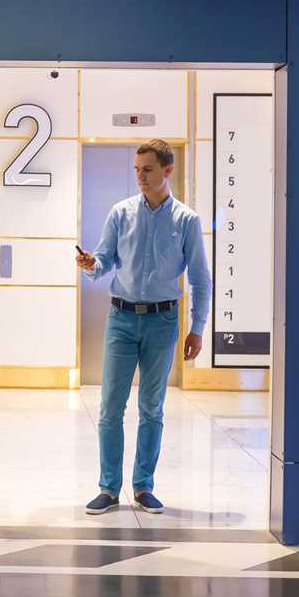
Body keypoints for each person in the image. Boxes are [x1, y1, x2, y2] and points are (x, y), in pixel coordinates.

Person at [76, 139, 211, 516]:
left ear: (168, 170)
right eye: (136, 169)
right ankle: (108, 488)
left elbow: (201, 279)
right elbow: (104, 259)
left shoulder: (186, 220)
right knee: (109, 408)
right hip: (120, 318)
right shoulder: (120, 213)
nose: (140, 177)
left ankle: (143, 486)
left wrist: (197, 328)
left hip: (163, 321)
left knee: (152, 408)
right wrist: (92, 264)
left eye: (148, 169)